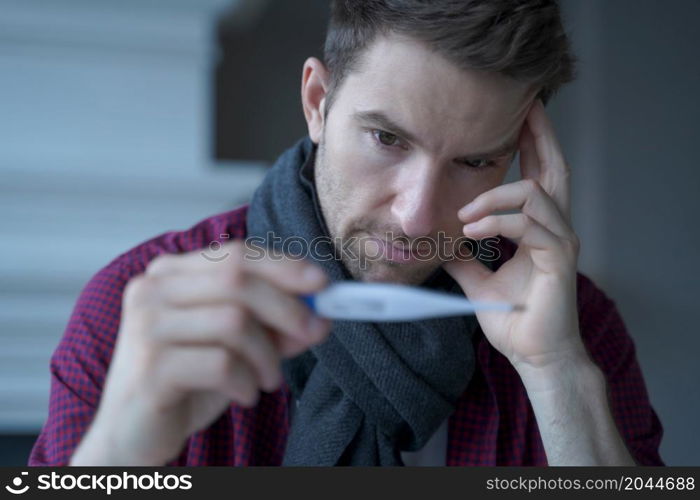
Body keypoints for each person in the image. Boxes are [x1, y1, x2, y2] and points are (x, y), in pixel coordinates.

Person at [28, 0, 664, 466]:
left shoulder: (577, 327)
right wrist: (122, 445)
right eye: (386, 139)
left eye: (475, 161)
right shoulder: (137, 305)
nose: (417, 216)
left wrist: (553, 369)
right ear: (317, 102)